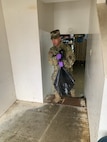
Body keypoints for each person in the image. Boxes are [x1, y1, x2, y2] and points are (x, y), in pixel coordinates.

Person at [48, 29, 75, 103]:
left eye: (55, 39)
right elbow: (50, 61)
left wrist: (64, 62)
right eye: (52, 39)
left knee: (70, 89)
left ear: (59, 38)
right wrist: (56, 58)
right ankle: (58, 98)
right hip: (57, 73)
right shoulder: (52, 50)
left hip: (67, 73)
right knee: (56, 85)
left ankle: (72, 100)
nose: (53, 41)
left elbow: (72, 61)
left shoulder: (67, 48)